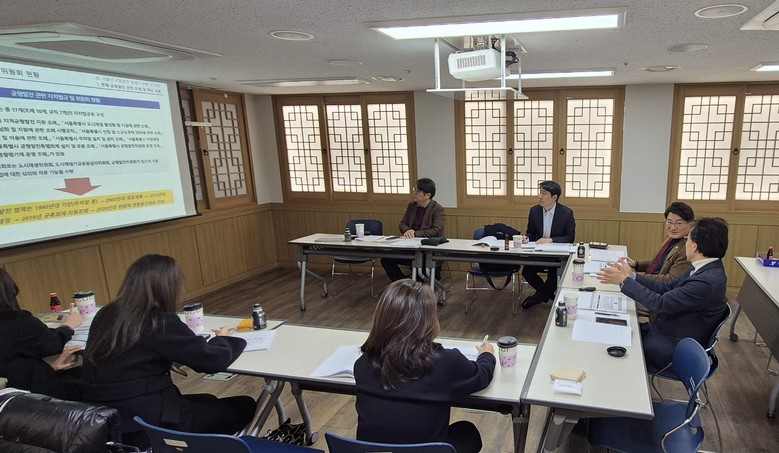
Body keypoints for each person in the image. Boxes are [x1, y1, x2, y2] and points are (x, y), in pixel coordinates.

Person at [80, 255, 256, 449]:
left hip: (110, 421)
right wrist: (224, 339)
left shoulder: (106, 314)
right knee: (244, 405)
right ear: (168, 287)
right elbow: (212, 361)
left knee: (208, 400)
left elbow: (129, 354)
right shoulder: (159, 321)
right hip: (149, 425)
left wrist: (163, 359)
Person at [354, 279, 494, 453]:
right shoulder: (445, 362)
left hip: (374, 451)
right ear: (429, 320)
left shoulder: (363, 364)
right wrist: (487, 355)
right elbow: (482, 376)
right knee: (467, 432)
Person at [596, 217, 729, 370]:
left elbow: (660, 304)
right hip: (666, 331)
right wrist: (632, 276)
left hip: (672, 347)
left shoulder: (705, 282)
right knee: (609, 328)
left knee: (605, 343)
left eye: (687, 239)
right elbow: (666, 287)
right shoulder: (704, 269)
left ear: (694, 246)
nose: (685, 243)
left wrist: (625, 281)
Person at [0, 268, 84, 400]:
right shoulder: (16, 320)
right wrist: (68, 326)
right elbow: (52, 344)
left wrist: (46, 367)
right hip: (30, 396)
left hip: (14, 387)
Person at [521, 180, 576, 309]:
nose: (540, 196)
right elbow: (531, 233)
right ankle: (548, 295)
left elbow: (570, 238)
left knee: (554, 274)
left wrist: (551, 240)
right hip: (538, 253)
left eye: (544, 193)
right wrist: (526, 238)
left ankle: (539, 297)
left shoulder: (566, 213)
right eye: (540, 192)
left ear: (554, 197)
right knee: (527, 272)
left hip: (557, 255)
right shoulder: (534, 211)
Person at [381, 178, 446, 282]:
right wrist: (407, 230)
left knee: (422, 275)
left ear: (427, 195)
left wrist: (415, 233)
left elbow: (436, 230)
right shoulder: (412, 206)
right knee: (386, 259)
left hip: (428, 250)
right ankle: (403, 284)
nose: (414, 193)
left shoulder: (437, 209)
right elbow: (403, 223)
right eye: (414, 189)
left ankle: (420, 284)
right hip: (410, 247)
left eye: (418, 191)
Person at [622, 201, 695, 282]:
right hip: (652, 282)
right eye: (669, 222)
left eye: (679, 223)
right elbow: (658, 263)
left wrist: (633, 276)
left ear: (691, 224)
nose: (673, 227)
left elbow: (670, 280)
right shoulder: (671, 238)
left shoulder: (688, 248)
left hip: (660, 287)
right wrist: (635, 264)